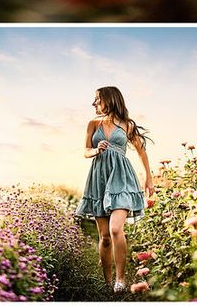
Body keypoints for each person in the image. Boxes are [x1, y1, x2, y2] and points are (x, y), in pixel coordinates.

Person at [76, 86, 154, 292]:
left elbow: (141, 152)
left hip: (121, 179)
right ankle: (108, 283)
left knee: (116, 228)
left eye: (97, 99)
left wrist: (149, 178)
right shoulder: (93, 124)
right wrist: (94, 150)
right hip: (99, 179)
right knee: (105, 237)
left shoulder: (127, 125)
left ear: (109, 100)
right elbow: (84, 151)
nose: (94, 103)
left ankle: (121, 280)